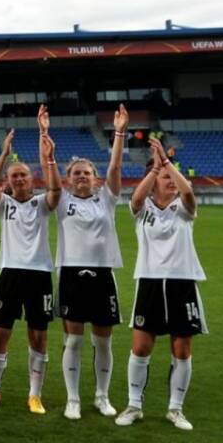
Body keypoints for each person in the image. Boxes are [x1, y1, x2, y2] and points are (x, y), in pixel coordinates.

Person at [118, 137, 206, 431]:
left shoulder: (185, 209)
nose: (171, 181)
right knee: (141, 347)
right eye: (165, 177)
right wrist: (155, 170)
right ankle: (134, 405)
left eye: (172, 176)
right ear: (153, 180)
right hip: (150, 283)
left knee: (181, 349)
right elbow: (134, 200)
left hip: (183, 284)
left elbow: (189, 192)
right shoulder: (143, 210)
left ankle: (176, 409)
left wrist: (167, 163)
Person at [0, 106, 58, 413]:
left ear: (32, 179)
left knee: (38, 335)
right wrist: (4, 154)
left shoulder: (43, 203)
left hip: (39, 274)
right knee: (0, 332)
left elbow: (56, 189)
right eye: (13, 176)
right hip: (10, 273)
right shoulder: (4, 206)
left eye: (23, 175)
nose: (18, 180)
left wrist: (45, 139)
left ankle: (34, 394)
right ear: (8, 182)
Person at [57, 104, 129, 420]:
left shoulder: (106, 199)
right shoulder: (61, 200)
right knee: (73, 339)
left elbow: (114, 169)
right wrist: (45, 139)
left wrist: (120, 133)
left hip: (102, 275)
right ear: (68, 179)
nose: (83, 176)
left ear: (95, 179)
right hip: (71, 274)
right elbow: (48, 177)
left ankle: (102, 396)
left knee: (103, 341)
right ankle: (73, 399)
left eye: (87, 173)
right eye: (77, 173)